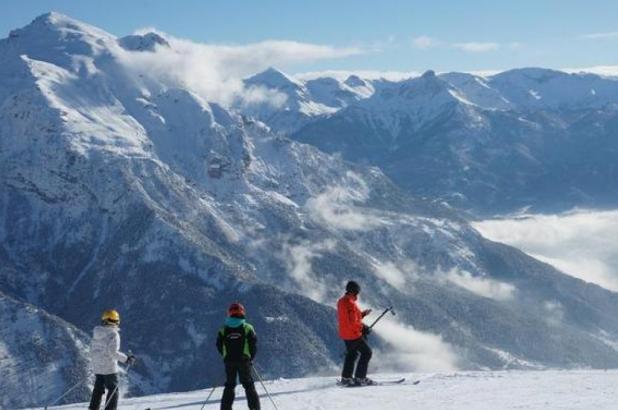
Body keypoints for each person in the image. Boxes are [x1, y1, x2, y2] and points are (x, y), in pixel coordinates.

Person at [88, 309, 136, 410]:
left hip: (97, 366)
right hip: (109, 368)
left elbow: (93, 349)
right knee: (113, 389)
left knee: (98, 389)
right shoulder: (113, 334)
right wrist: (127, 359)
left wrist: (97, 363)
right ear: (116, 321)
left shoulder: (97, 332)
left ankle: (93, 408)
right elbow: (113, 353)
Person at [216, 302, 261, 410]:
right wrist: (250, 358)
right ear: (242, 313)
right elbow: (253, 345)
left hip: (229, 361)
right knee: (248, 385)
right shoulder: (248, 328)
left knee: (229, 385)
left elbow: (219, 345)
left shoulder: (223, 329)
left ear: (229, 314)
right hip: (244, 360)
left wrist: (225, 356)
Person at [337, 280, 375, 386]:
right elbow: (353, 323)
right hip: (353, 334)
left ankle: (346, 378)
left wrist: (362, 314)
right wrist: (364, 328)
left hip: (345, 334)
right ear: (355, 291)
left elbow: (347, 318)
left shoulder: (342, 301)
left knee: (352, 354)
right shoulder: (350, 304)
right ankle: (360, 378)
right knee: (367, 353)